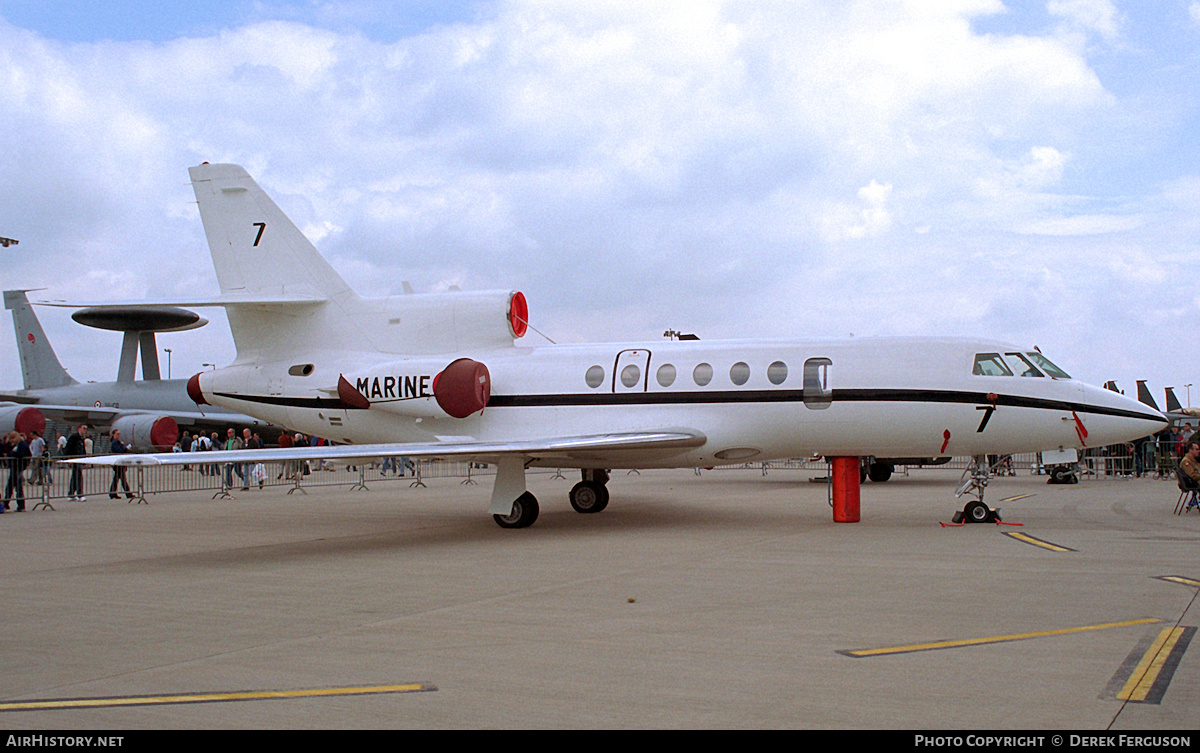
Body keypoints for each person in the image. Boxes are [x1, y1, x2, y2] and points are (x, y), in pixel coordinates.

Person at [2, 431, 30, 512]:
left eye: (12, 439)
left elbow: (20, 454)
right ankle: (9, 504)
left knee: (13, 487)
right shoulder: (14, 445)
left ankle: (9, 504)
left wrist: (10, 454)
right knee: (14, 487)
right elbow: (5, 449)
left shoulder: (22, 444)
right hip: (14, 467)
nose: (11, 441)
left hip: (18, 467)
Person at [108, 429, 134, 499]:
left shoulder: (118, 442)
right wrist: (125, 448)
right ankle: (128, 493)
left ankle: (112, 493)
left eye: (119, 434)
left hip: (120, 463)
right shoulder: (115, 443)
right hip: (118, 463)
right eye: (117, 434)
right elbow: (119, 451)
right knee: (122, 479)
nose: (118, 435)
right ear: (113, 435)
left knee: (116, 479)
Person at [65, 424, 89, 501]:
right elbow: (68, 447)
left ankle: (71, 494)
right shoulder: (74, 437)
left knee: (75, 476)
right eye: (83, 428)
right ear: (79, 428)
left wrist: (84, 461)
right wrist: (68, 459)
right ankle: (80, 494)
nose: (85, 430)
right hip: (75, 459)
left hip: (79, 459)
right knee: (78, 476)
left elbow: (83, 450)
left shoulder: (81, 438)